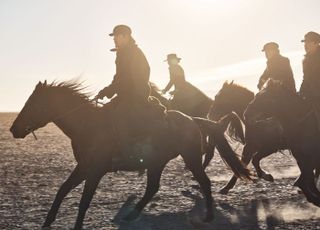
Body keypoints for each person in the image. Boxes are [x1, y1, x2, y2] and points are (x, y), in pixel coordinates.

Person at [96, 25, 167, 169]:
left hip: (136, 94)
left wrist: (114, 89)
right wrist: (106, 91)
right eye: (114, 37)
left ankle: (130, 156)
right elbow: (119, 78)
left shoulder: (134, 52)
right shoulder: (122, 53)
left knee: (119, 116)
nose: (114, 39)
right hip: (125, 93)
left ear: (125, 36)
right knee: (105, 113)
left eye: (116, 36)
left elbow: (131, 77)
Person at [299, 31, 320, 131]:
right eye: (304, 43)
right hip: (310, 96)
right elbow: (305, 79)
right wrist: (299, 94)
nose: (305, 45)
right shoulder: (305, 61)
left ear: (316, 43)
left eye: (308, 42)